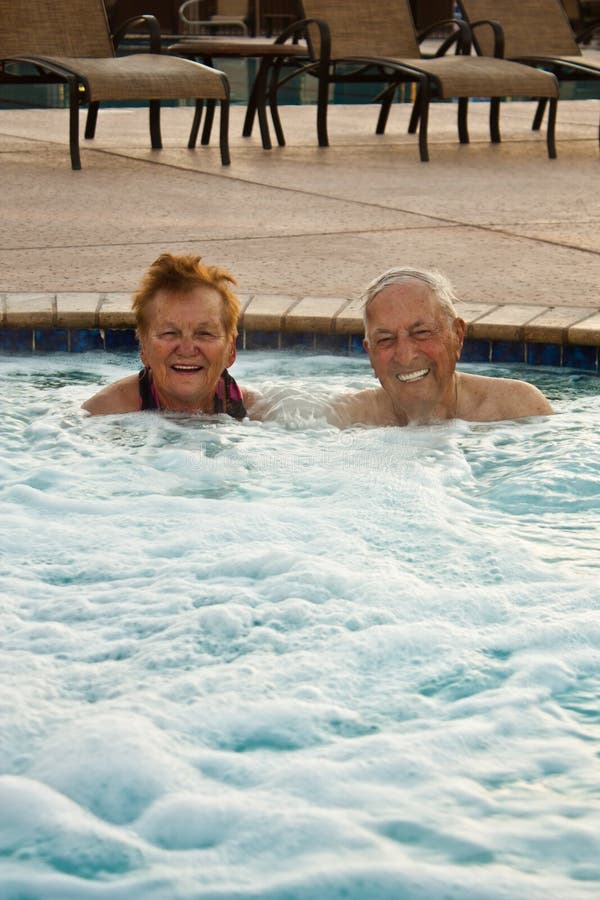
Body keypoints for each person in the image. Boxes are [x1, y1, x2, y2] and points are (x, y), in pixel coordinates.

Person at [331, 267, 553, 427]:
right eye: (386, 340)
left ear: (457, 335)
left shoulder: (516, 408)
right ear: (370, 353)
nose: (405, 356)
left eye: (422, 333)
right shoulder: (347, 419)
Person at [82, 253, 257, 417]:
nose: (187, 350)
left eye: (204, 333)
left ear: (231, 350)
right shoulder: (105, 413)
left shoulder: (258, 412)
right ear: (144, 348)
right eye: (170, 333)